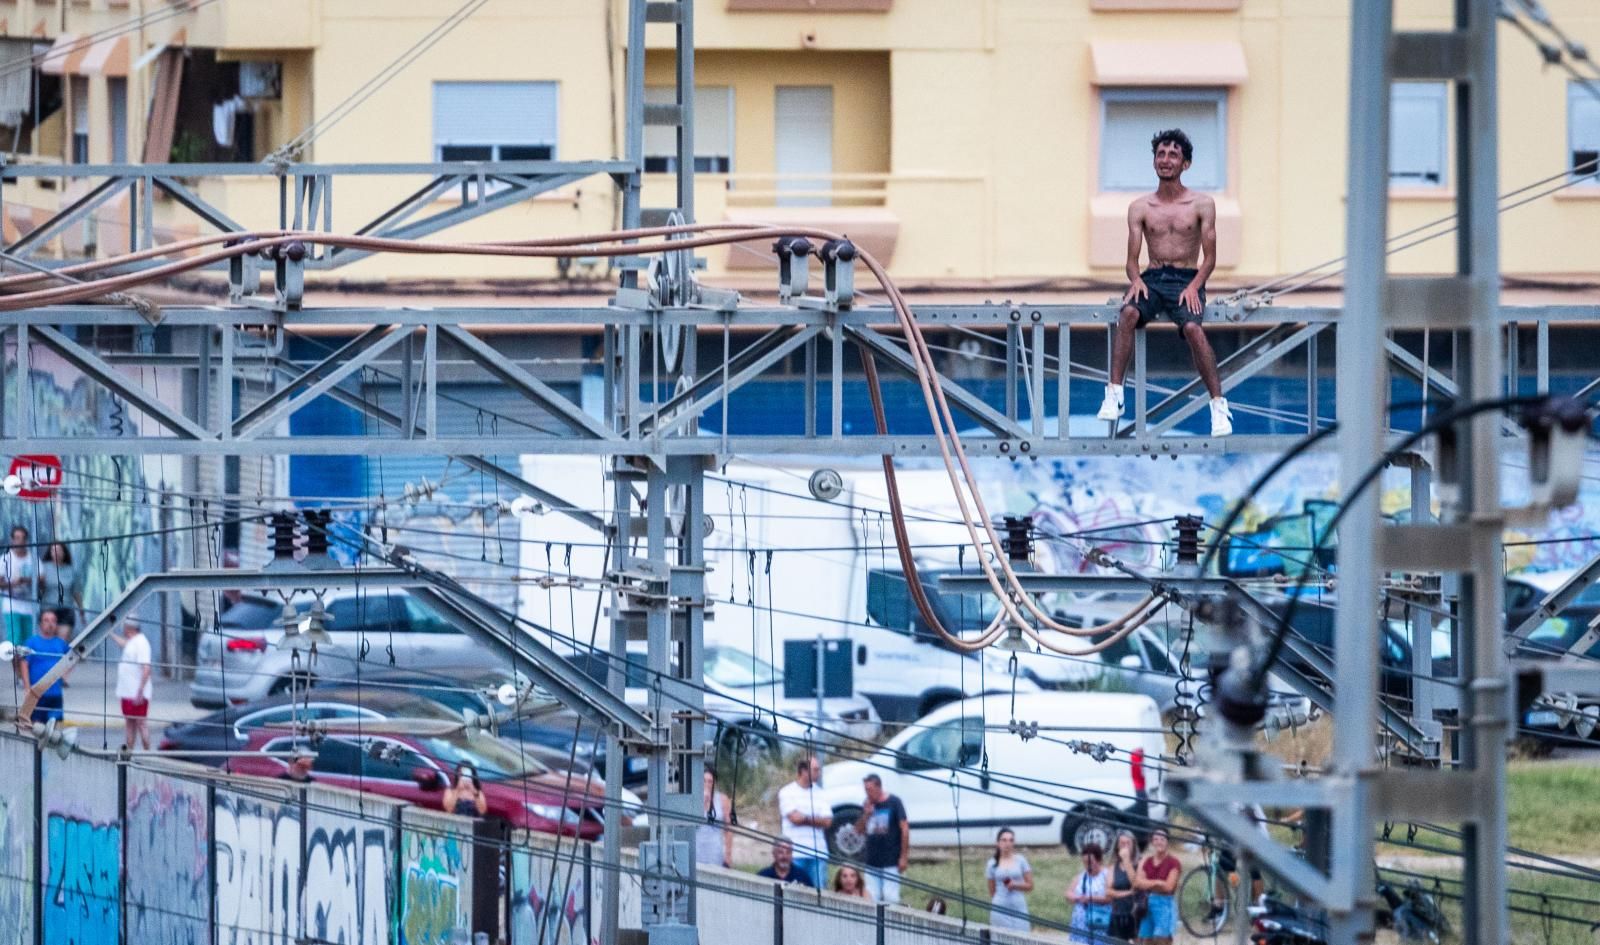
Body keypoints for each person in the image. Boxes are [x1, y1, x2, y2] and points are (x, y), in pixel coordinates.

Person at [1096, 128, 1233, 437]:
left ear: (1185, 164)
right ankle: (1115, 393)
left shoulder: (1202, 204)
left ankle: (1218, 406)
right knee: (1128, 313)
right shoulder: (1140, 208)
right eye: (1161, 154)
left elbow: (1209, 258)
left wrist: (1195, 285)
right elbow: (1132, 260)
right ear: (1154, 160)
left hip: (1187, 278)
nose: (1166, 160)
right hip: (1153, 277)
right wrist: (1135, 280)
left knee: (1193, 329)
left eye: (1173, 155)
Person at [777, 755, 831, 888]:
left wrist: (804, 818)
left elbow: (828, 822)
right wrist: (816, 819)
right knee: (794, 890)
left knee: (819, 892)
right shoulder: (787, 792)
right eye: (815, 770)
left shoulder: (822, 794)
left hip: (818, 852)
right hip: (795, 852)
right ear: (804, 771)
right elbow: (794, 818)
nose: (818, 773)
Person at [855, 773, 909, 904]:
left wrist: (903, 856)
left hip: (890, 859)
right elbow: (858, 830)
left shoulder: (894, 802)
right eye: (865, 789)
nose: (867, 793)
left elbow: (905, 829)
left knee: (890, 897)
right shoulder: (867, 805)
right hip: (872, 860)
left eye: (870, 789)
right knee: (872, 897)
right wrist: (866, 815)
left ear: (879, 787)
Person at [19, 608, 70, 724]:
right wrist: (27, 687)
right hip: (37, 693)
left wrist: (65, 675)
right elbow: (24, 664)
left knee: (53, 727)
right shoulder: (31, 642)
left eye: (53, 621)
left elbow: (73, 658)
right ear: (40, 623)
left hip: (55, 693)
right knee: (36, 727)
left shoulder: (61, 643)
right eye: (46, 620)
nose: (50, 624)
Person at [1134, 827, 1181, 945]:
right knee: (1146, 940)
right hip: (1148, 902)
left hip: (1165, 904)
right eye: (1156, 839)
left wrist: (1148, 884)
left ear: (1167, 842)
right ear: (1152, 842)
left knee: (1162, 940)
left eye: (1162, 839)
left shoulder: (1173, 862)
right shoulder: (1147, 861)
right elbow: (1138, 883)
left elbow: (1169, 887)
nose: (1159, 842)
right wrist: (1157, 883)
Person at [111, 619, 152, 750]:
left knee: (141, 723)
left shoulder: (141, 643)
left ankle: (147, 752)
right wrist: (110, 634)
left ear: (129, 628)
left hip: (136, 692)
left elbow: (146, 668)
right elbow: (124, 644)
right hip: (127, 692)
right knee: (129, 723)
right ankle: (129, 752)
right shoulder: (133, 642)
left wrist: (140, 691)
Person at [984, 827, 1033, 930]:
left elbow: (1030, 885)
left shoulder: (1021, 860)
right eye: (1004, 840)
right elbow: (992, 891)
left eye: (1011, 840)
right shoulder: (992, 864)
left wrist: (1015, 885)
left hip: (1019, 907)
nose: (1008, 843)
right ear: (998, 843)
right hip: (1000, 908)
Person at [2, 525, 38, 663]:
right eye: (17, 538)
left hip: (29, 607)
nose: (20, 541)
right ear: (12, 540)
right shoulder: (5, 559)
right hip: (11, 606)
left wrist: (26, 580)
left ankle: (25, 674)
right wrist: (13, 584)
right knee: (15, 641)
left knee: (27, 642)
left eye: (23, 538)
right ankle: (17, 673)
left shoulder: (32, 559)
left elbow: (41, 579)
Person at [1067, 842, 1113, 943]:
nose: (1088, 866)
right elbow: (1068, 893)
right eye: (1085, 863)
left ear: (1099, 860)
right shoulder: (1080, 876)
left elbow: (1109, 897)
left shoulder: (1107, 875)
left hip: (1100, 921)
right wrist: (1077, 897)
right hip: (1080, 922)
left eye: (1090, 862)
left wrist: (1089, 898)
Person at [1107, 831, 1142, 942]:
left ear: (1134, 846)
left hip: (1136, 913)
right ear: (1117, 846)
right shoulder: (1113, 867)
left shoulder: (1140, 864)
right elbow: (1108, 891)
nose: (1125, 846)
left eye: (1128, 843)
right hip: (1118, 913)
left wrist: (1127, 861)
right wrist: (1128, 893)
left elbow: (1136, 884)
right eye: (1122, 843)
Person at [37, 542, 81, 628]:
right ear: (50, 552)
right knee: (49, 640)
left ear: (64, 552)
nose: (56, 553)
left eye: (59, 550)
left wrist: (81, 610)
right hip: (47, 610)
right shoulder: (43, 568)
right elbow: (37, 588)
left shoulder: (71, 570)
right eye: (53, 550)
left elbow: (76, 592)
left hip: (66, 610)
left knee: (62, 640)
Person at [696, 767, 733, 868]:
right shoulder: (693, 799)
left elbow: (728, 829)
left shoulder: (723, 799)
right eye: (704, 781)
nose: (707, 784)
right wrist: (703, 802)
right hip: (697, 846)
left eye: (710, 781)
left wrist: (728, 854)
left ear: (714, 783)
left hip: (715, 848)